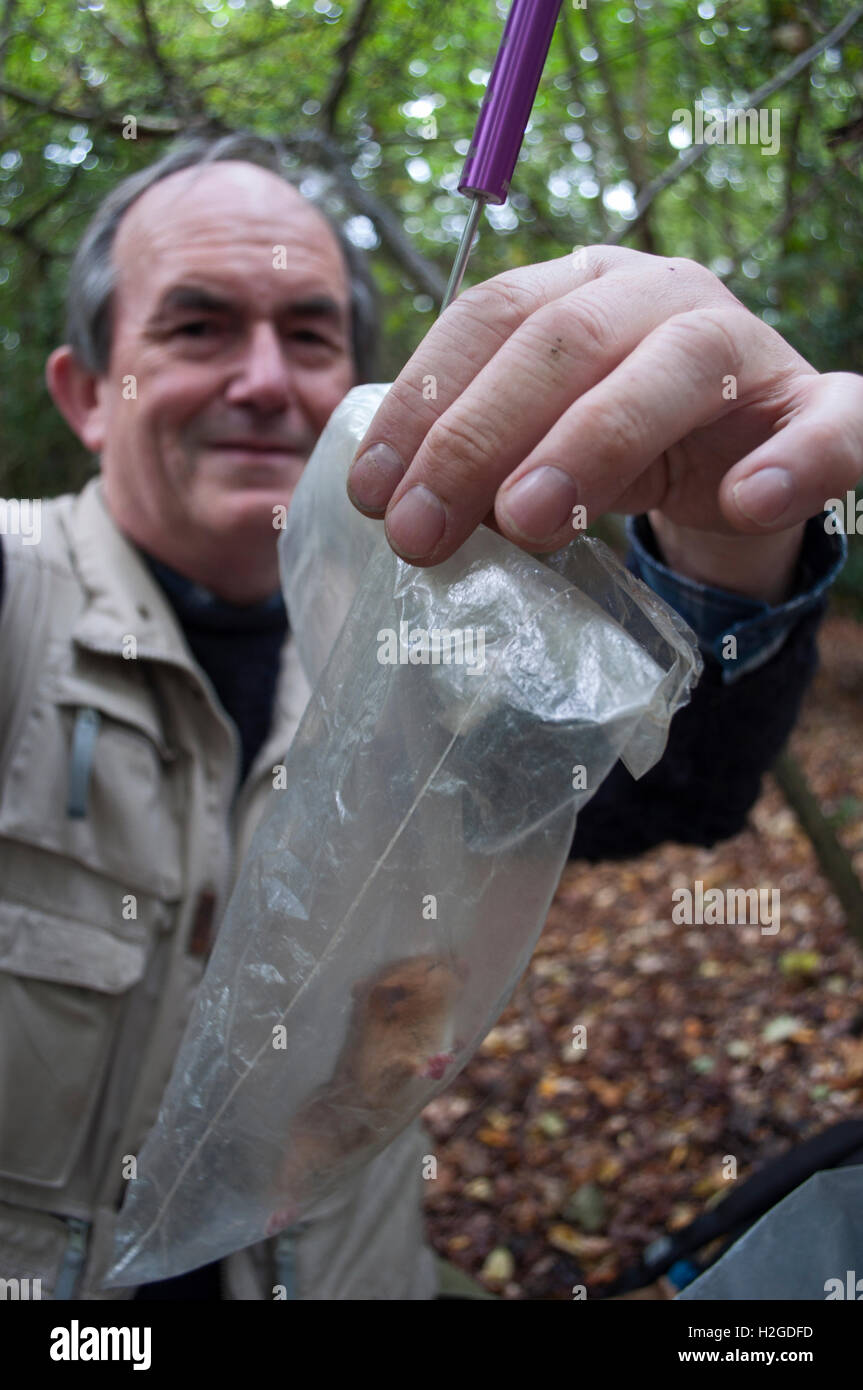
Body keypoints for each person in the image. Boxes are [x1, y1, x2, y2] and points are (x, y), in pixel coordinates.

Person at [0, 131, 852, 1301]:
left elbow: (680, 786)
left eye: (307, 334)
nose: (261, 379)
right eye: (195, 328)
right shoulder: (18, 591)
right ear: (90, 394)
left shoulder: (434, 648)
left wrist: (727, 534)